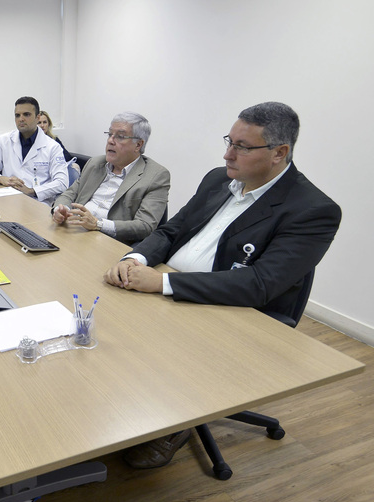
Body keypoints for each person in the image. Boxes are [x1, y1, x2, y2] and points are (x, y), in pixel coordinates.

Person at [104, 102, 342, 469]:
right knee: (97, 320)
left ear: (279, 153)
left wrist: (163, 283)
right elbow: (171, 231)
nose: (228, 154)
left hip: (232, 314)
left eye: (242, 147)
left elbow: (259, 284)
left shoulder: (312, 209)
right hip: (167, 288)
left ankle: (179, 417)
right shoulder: (219, 179)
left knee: (125, 340)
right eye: (229, 141)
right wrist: (135, 259)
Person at [51, 112, 170, 245]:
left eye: (120, 136)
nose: (110, 141)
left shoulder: (156, 176)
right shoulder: (95, 163)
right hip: (75, 232)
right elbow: (70, 193)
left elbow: (145, 226)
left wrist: (98, 224)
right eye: (110, 134)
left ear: (138, 145)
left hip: (111, 243)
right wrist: (61, 209)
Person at [0, 96, 68, 206]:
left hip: (37, 203)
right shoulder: (4, 140)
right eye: (17, 115)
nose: (21, 119)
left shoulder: (53, 147)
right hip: (9, 199)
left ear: (37, 117)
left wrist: (32, 191)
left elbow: (62, 182)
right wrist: (1, 179)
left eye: (26, 114)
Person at [38, 110, 80, 184]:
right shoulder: (33, 141)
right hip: (42, 169)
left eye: (44, 122)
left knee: (74, 166)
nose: (42, 125)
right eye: (39, 123)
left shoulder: (54, 139)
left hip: (57, 166)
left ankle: (73, 190)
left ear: (48, 124)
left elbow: (67, 156)